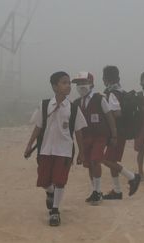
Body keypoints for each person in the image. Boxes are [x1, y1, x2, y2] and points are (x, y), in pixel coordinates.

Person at [24, 71, 87, 226]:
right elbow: (38, 126)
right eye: (64, 82)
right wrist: (29, 144)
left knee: (60, 180)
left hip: (64, 150)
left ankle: (55, 211)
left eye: (68, 83)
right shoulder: (44, 105)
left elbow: (78, 132)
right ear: (54, 86)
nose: (68, 86)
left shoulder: (73, 108)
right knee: (44, 180)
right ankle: (50, 193)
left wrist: (81, 152)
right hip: (45, 149)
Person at [72, 71, 118, 205]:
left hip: (100, 136)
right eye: (79, 84)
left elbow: (109, 117)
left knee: (95, 160)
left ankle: (98, 192)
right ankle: (94, 191)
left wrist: (114, 135)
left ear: (91, 84)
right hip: (86, 138)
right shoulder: (76, 103)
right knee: (89, 165)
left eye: (84, 83)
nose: (81, 86)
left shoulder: (99, 99)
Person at [102, 65, 141, 200]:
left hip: (116, 132)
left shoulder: (112, 93)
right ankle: (117, 191)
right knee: (112, 160)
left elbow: (117, 113)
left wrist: (108, 118)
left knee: (105, 160)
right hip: (122, 131)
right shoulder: (121, 91)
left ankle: (132, 177)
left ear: (105, 79)